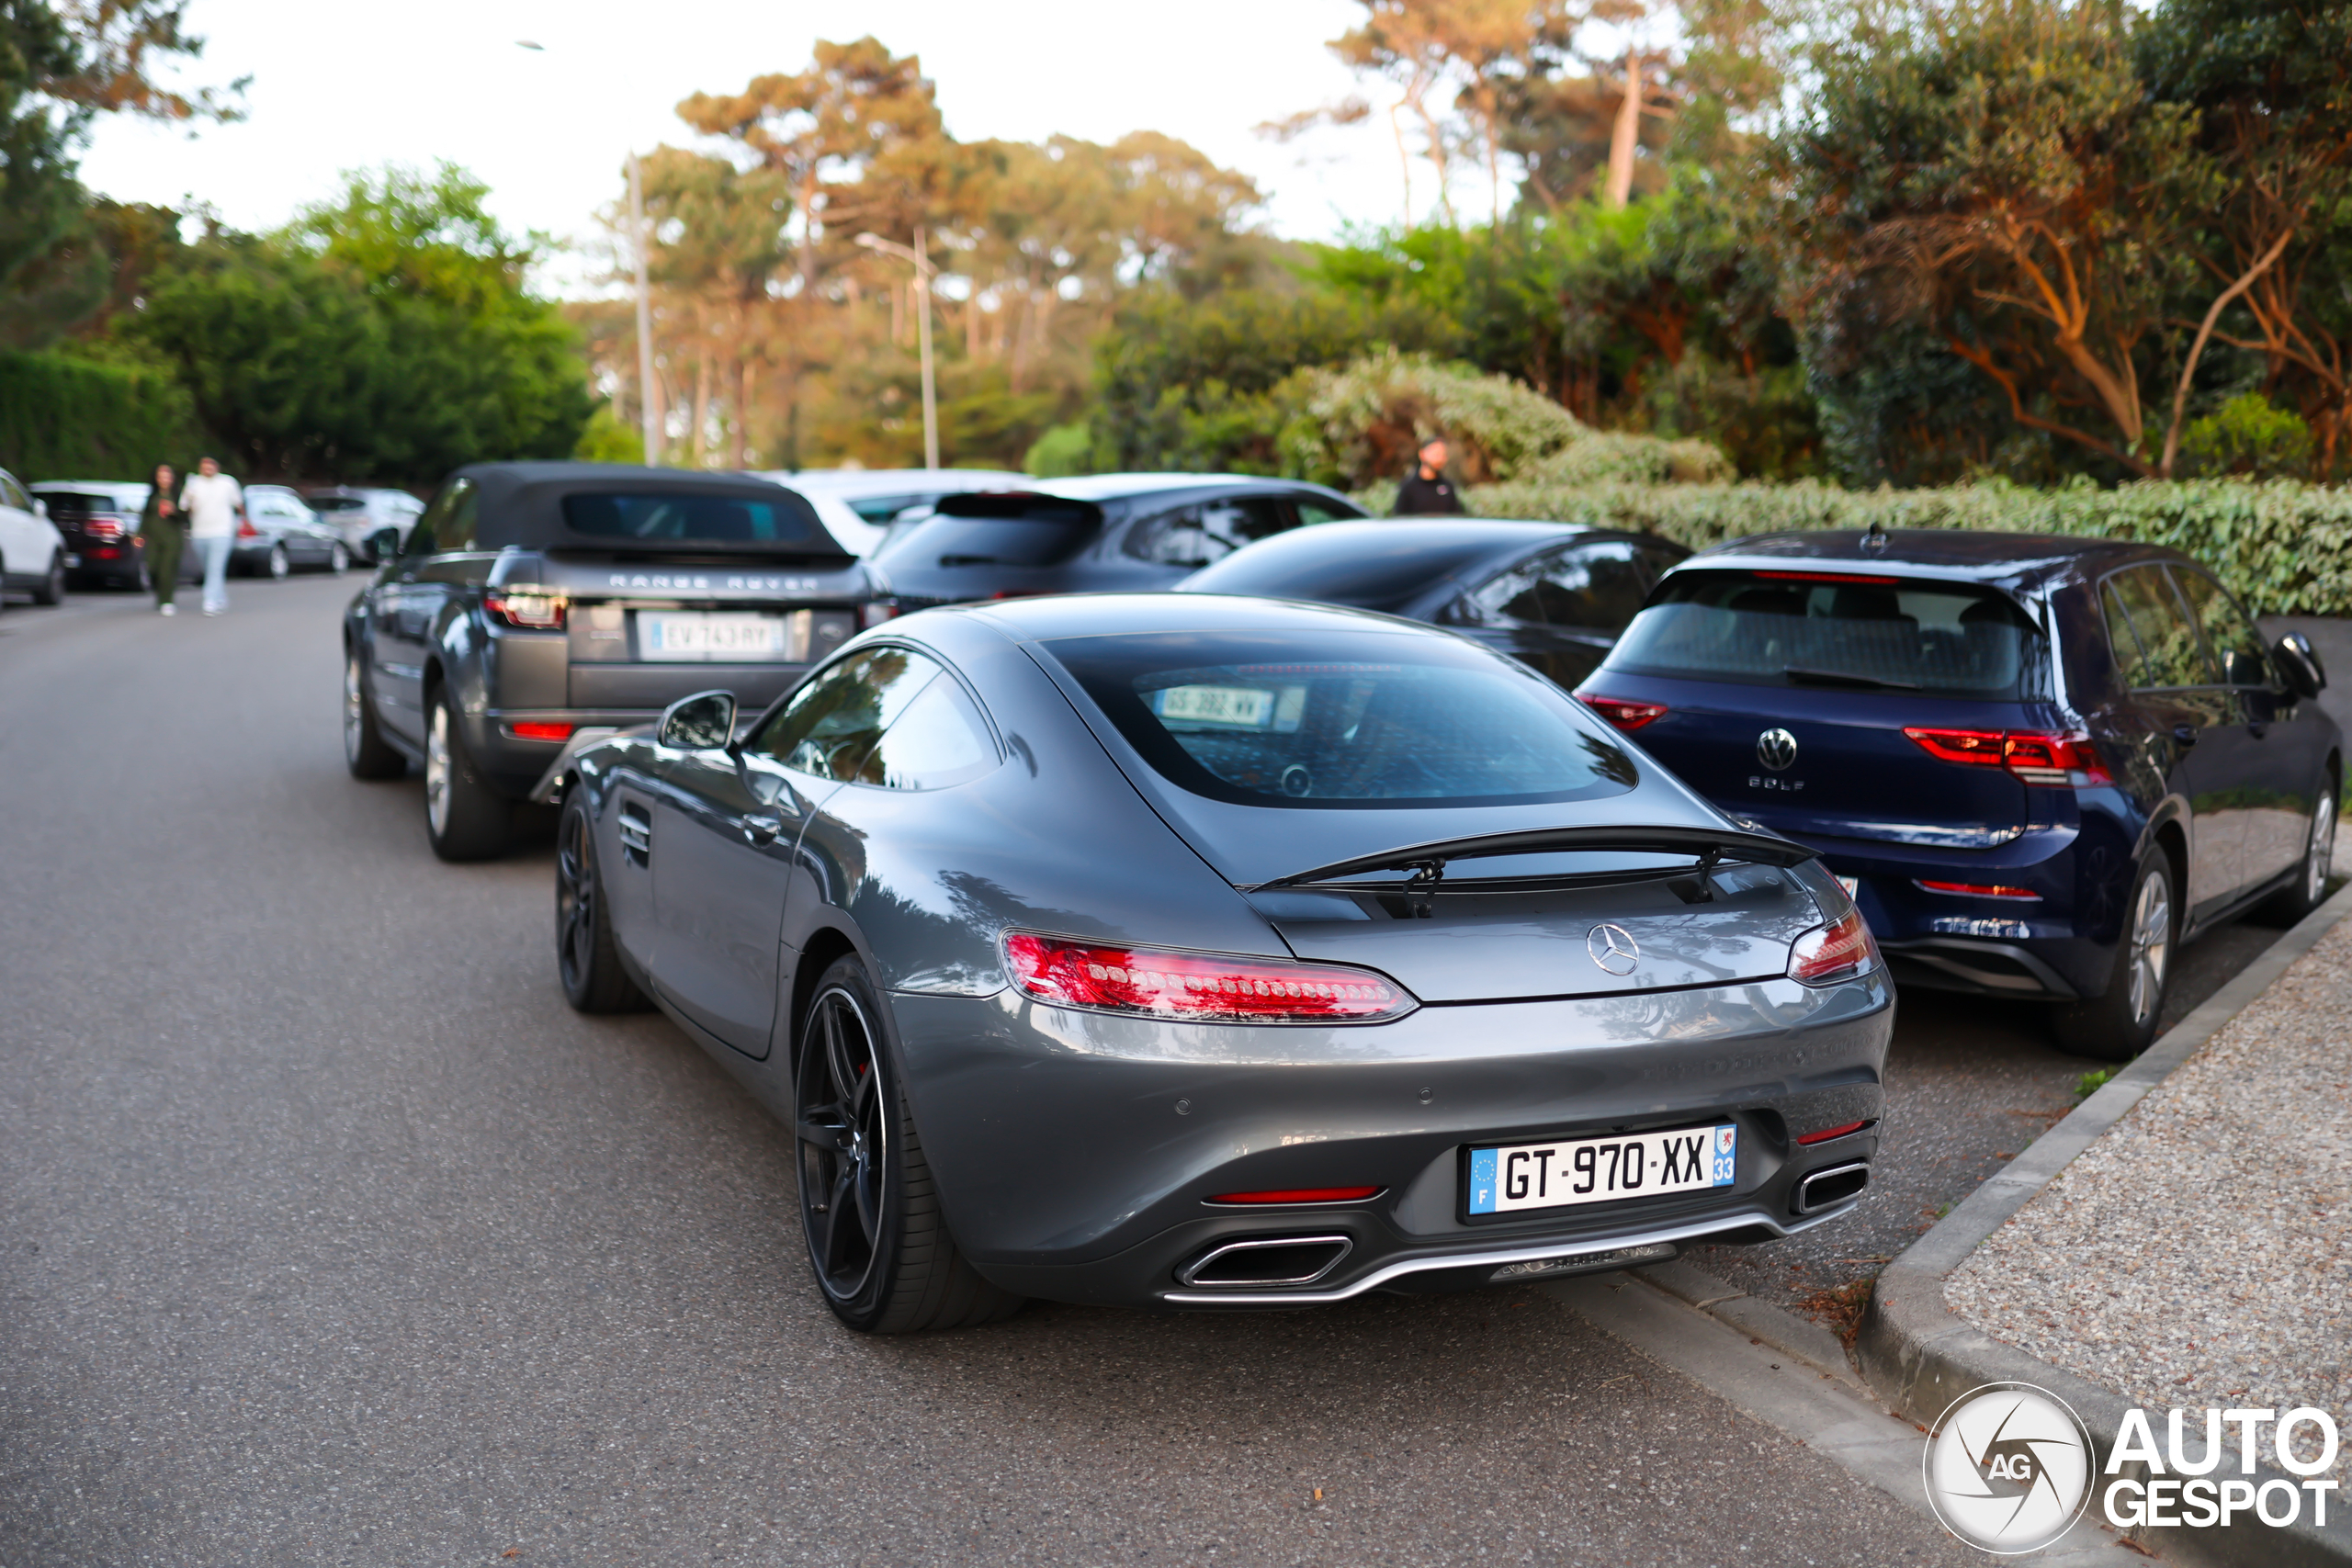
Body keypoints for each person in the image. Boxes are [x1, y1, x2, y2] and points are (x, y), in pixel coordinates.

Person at [179, 456, 243, 616]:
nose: (208, 468)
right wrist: (189, 500)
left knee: (215, 567)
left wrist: (245, 522)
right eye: (205, 465)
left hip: (222, 531)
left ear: (217, 466)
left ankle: (210, 601)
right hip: (199, 532)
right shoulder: (193, 483)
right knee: (208, 568)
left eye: (211, 465)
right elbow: (184, 507)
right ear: (200, 467)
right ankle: (220, 597)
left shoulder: (227, 482)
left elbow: (238, 504)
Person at [138, 462, 186, 615]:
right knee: (152, 568)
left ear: (172, 478)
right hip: (153, 539)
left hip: (172, 539)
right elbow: (145, 516)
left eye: (167, 475)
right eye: (161, 476)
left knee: (167, 571)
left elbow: (185, 517)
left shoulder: (179, 496)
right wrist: (139, 534)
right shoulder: (153, 495)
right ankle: (160, 595)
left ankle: (167, 601)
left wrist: (174, 511)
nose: (164, 479)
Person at [1392, 436, 1464, 516]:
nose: (1440, 459)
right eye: (1436, 454)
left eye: (1443, 455)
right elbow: (1399, 518)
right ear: (1422, 454)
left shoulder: (1448, 486)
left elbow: (1456, 516)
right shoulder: (1409, 487)